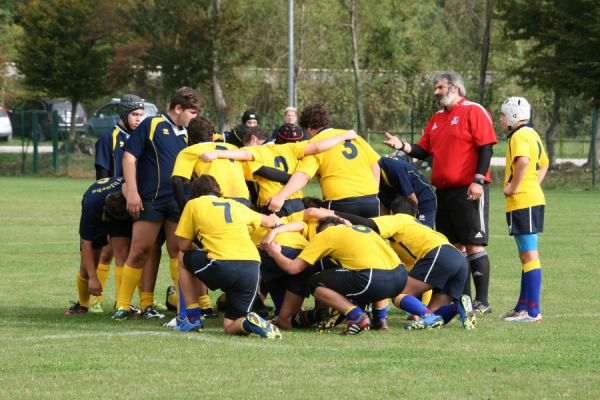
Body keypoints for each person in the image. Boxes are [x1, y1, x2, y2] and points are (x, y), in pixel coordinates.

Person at [384, 71, 497, 314]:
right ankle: (463, 300)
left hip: (469, 189)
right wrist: (402, 146)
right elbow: (423, 150)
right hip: (443, 192)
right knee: (454, 247)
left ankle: (483, 302)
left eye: (440, 87)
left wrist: (478, 180)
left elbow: (486, 147)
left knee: (474, 244)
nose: (436, 92)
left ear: (455, 88)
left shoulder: (473, 110)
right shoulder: (436, 118)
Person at [113, 87, 205, 320]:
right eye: (192, 112)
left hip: (178, 201)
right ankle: (123, 305)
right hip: (150, 200)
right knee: (140, 249)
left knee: (178, 252)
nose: (195, 117)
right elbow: (129, 157)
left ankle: (185, 307)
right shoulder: (151, 124)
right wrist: (132, 191)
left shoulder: (188, 134)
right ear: (178, 108)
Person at [330, 196, 476, 330]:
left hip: (439, 254)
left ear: (391, 212)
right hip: (459, 259)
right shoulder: (418, 227)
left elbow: (369, 224)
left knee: (397, 292)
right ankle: (458, 306)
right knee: (436, 316)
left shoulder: (399, 219)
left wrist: (334, 213)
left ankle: (428, 315)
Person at [175, 175, 282, 338]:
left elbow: (183, 245)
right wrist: (274, 220)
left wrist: (200, 249)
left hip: (222, 264)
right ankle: (250, 323)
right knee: (231, 325)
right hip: (252, 269)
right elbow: (268, 221)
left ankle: (191, 318)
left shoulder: (194, 204)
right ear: (219, 191)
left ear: (194, 193)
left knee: (182, 257)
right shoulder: (236, 205)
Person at [266, 216, 408, 335]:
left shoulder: (325, 234)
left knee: (315, 282)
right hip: (400, 278)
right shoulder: (364, 230)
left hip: (372, 278)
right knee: (367, 272)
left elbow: (293, 268)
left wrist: (275, 253)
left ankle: (355, 315)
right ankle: (380, 320)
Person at [201, 124, 359, 216]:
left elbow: (243, 153)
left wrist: (216, 154)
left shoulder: (258, 151)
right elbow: (318, 146)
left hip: (273, 204)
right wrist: (343, 136)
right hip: (297, 202)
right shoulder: (292, 149)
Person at [267, 103, 381, 218]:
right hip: (371, 201)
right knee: (368, 235)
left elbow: (303, 175)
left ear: (309, 128)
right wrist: (373, 192)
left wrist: (280, 197)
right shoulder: (354, 136)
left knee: (336, 235)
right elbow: (375, 165)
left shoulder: (316, 143)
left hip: (341, 201)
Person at [90, 95, 145, 313]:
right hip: (114, 203)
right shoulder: (108, 137)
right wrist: (105, 199)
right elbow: (101, 173)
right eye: (134, 115)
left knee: (136, 251)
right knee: (106, 252)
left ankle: (132, 300)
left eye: (141, 115)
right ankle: (95, 298)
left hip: (137, 200)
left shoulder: (143, 137)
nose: (138, 119)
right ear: (124, 114)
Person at [499, 97, 548, 323]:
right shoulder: (533, 134)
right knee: (525, 255)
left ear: (512, 116)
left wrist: (514, 187)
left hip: (523, 201)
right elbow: (544, 163)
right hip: (531, 199)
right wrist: (533, 184)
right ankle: (522, 307)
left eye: (502, 115)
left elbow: (523, 162)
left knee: (529, 254)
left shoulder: (519, 136)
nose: (500, 119)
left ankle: (533, 312)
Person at [65, 177, 131, 316]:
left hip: (122, 208)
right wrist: (93, 278)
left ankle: (121, 305)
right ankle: (82, 304)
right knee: (86, 267)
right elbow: (86, 245)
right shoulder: (91, 207)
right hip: (99, 210)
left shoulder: (127, 192)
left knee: (123, 256)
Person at [378, 156, 437, 228]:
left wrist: (411, 227)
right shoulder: (374, 178)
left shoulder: (394, 168)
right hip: (403, 204)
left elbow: (412, 200)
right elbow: (384, 205)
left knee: (420, 231)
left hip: (423, 199)